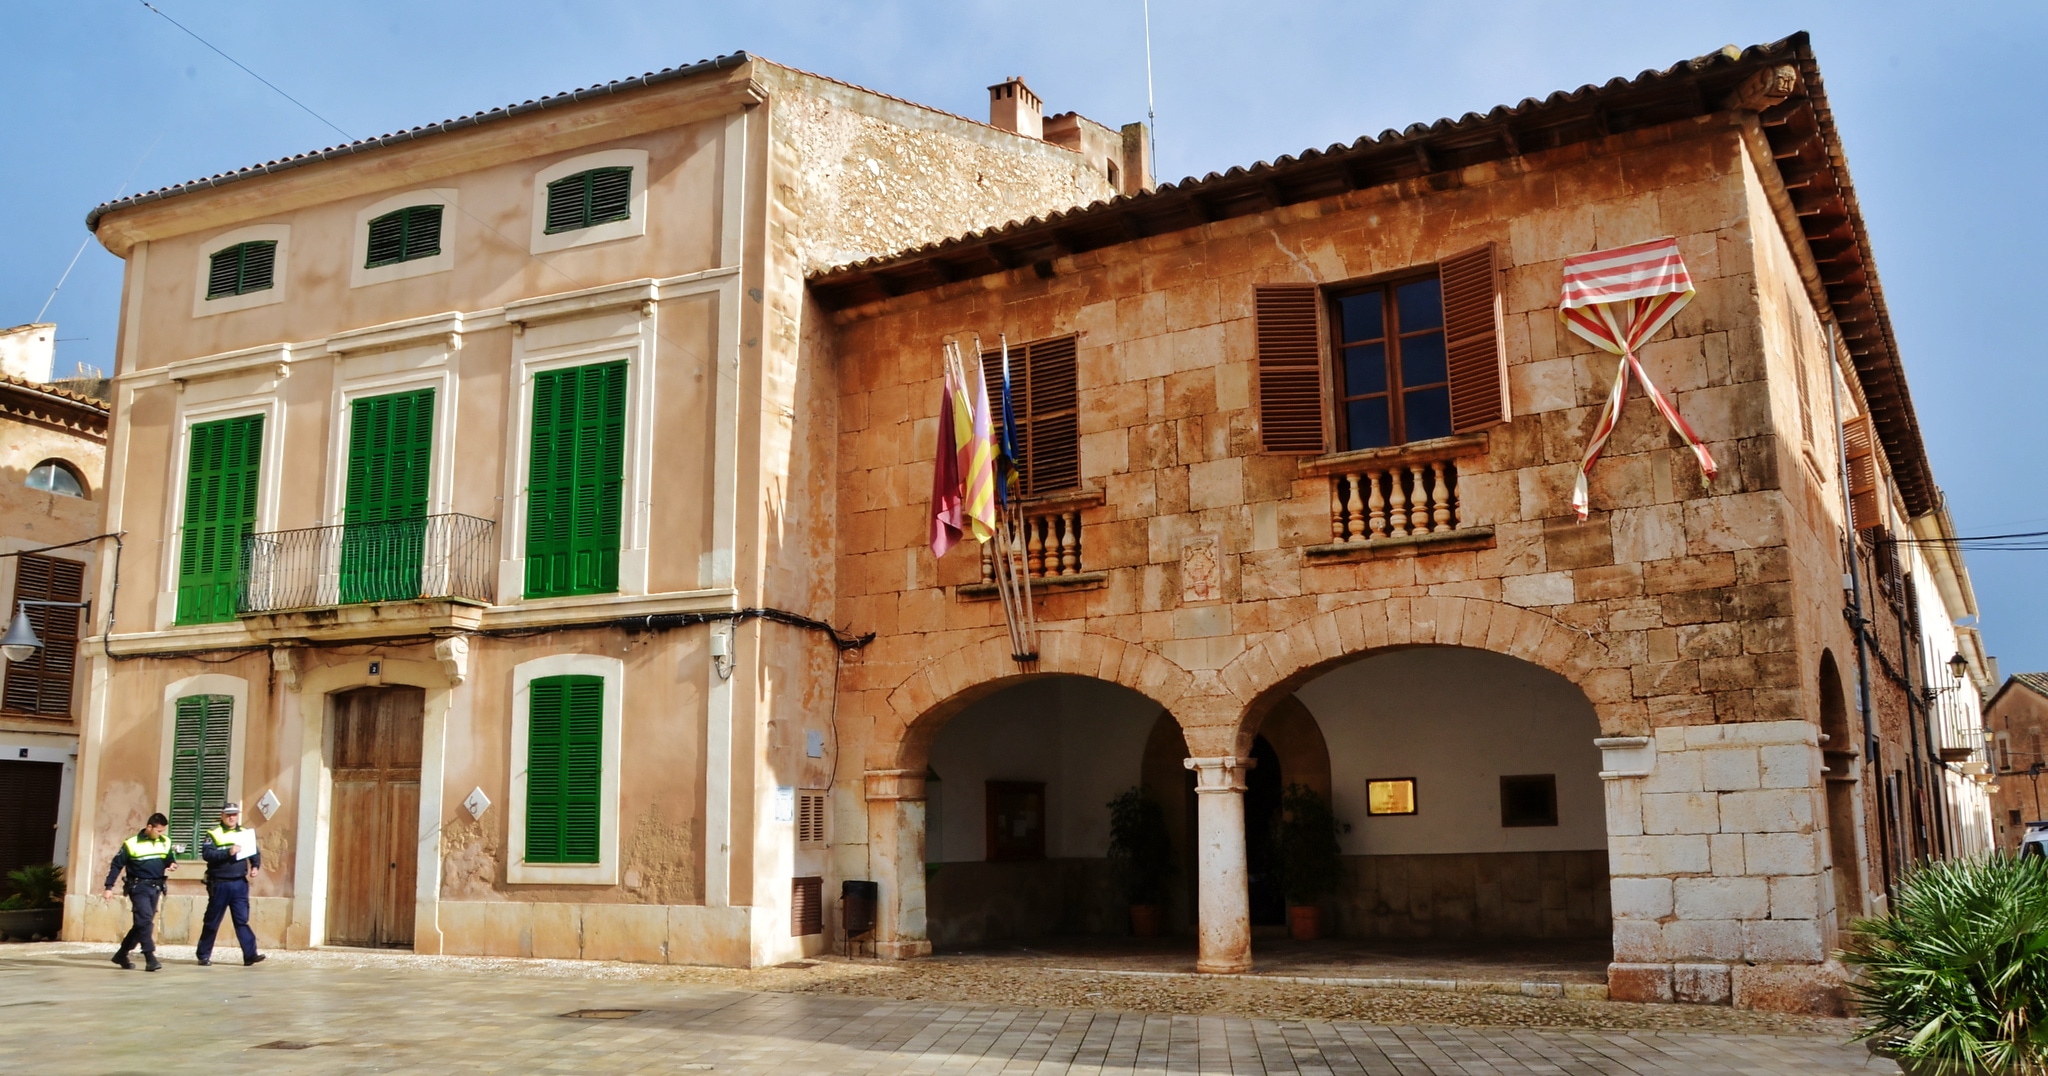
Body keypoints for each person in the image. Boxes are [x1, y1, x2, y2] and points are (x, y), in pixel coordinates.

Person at [101, 812, 177, 971]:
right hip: (138, 887)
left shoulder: (165, 842)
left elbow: (168, 858)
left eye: (163, 831)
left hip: (156, 887)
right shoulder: (131, 843)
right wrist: (109, 887)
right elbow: (116, 865)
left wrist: (171, 864)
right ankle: (150, 957)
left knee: (142, 924)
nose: (161, 834)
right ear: (149, 827)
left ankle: (122, 954)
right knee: (145, 920)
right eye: (158, 831)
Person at [195, 803, 265, 967]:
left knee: (242, 920)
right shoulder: (213, 834)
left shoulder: (244, 833)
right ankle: (203, 955)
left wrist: (255, 866)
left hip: (239, 883)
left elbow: (254, 852)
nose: (232, 817)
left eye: (234, 814)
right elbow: (207, 854)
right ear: (222, 816)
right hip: (219, 883)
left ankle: (250, 954)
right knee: (212, 921)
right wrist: (228, 852)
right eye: (228, 815)